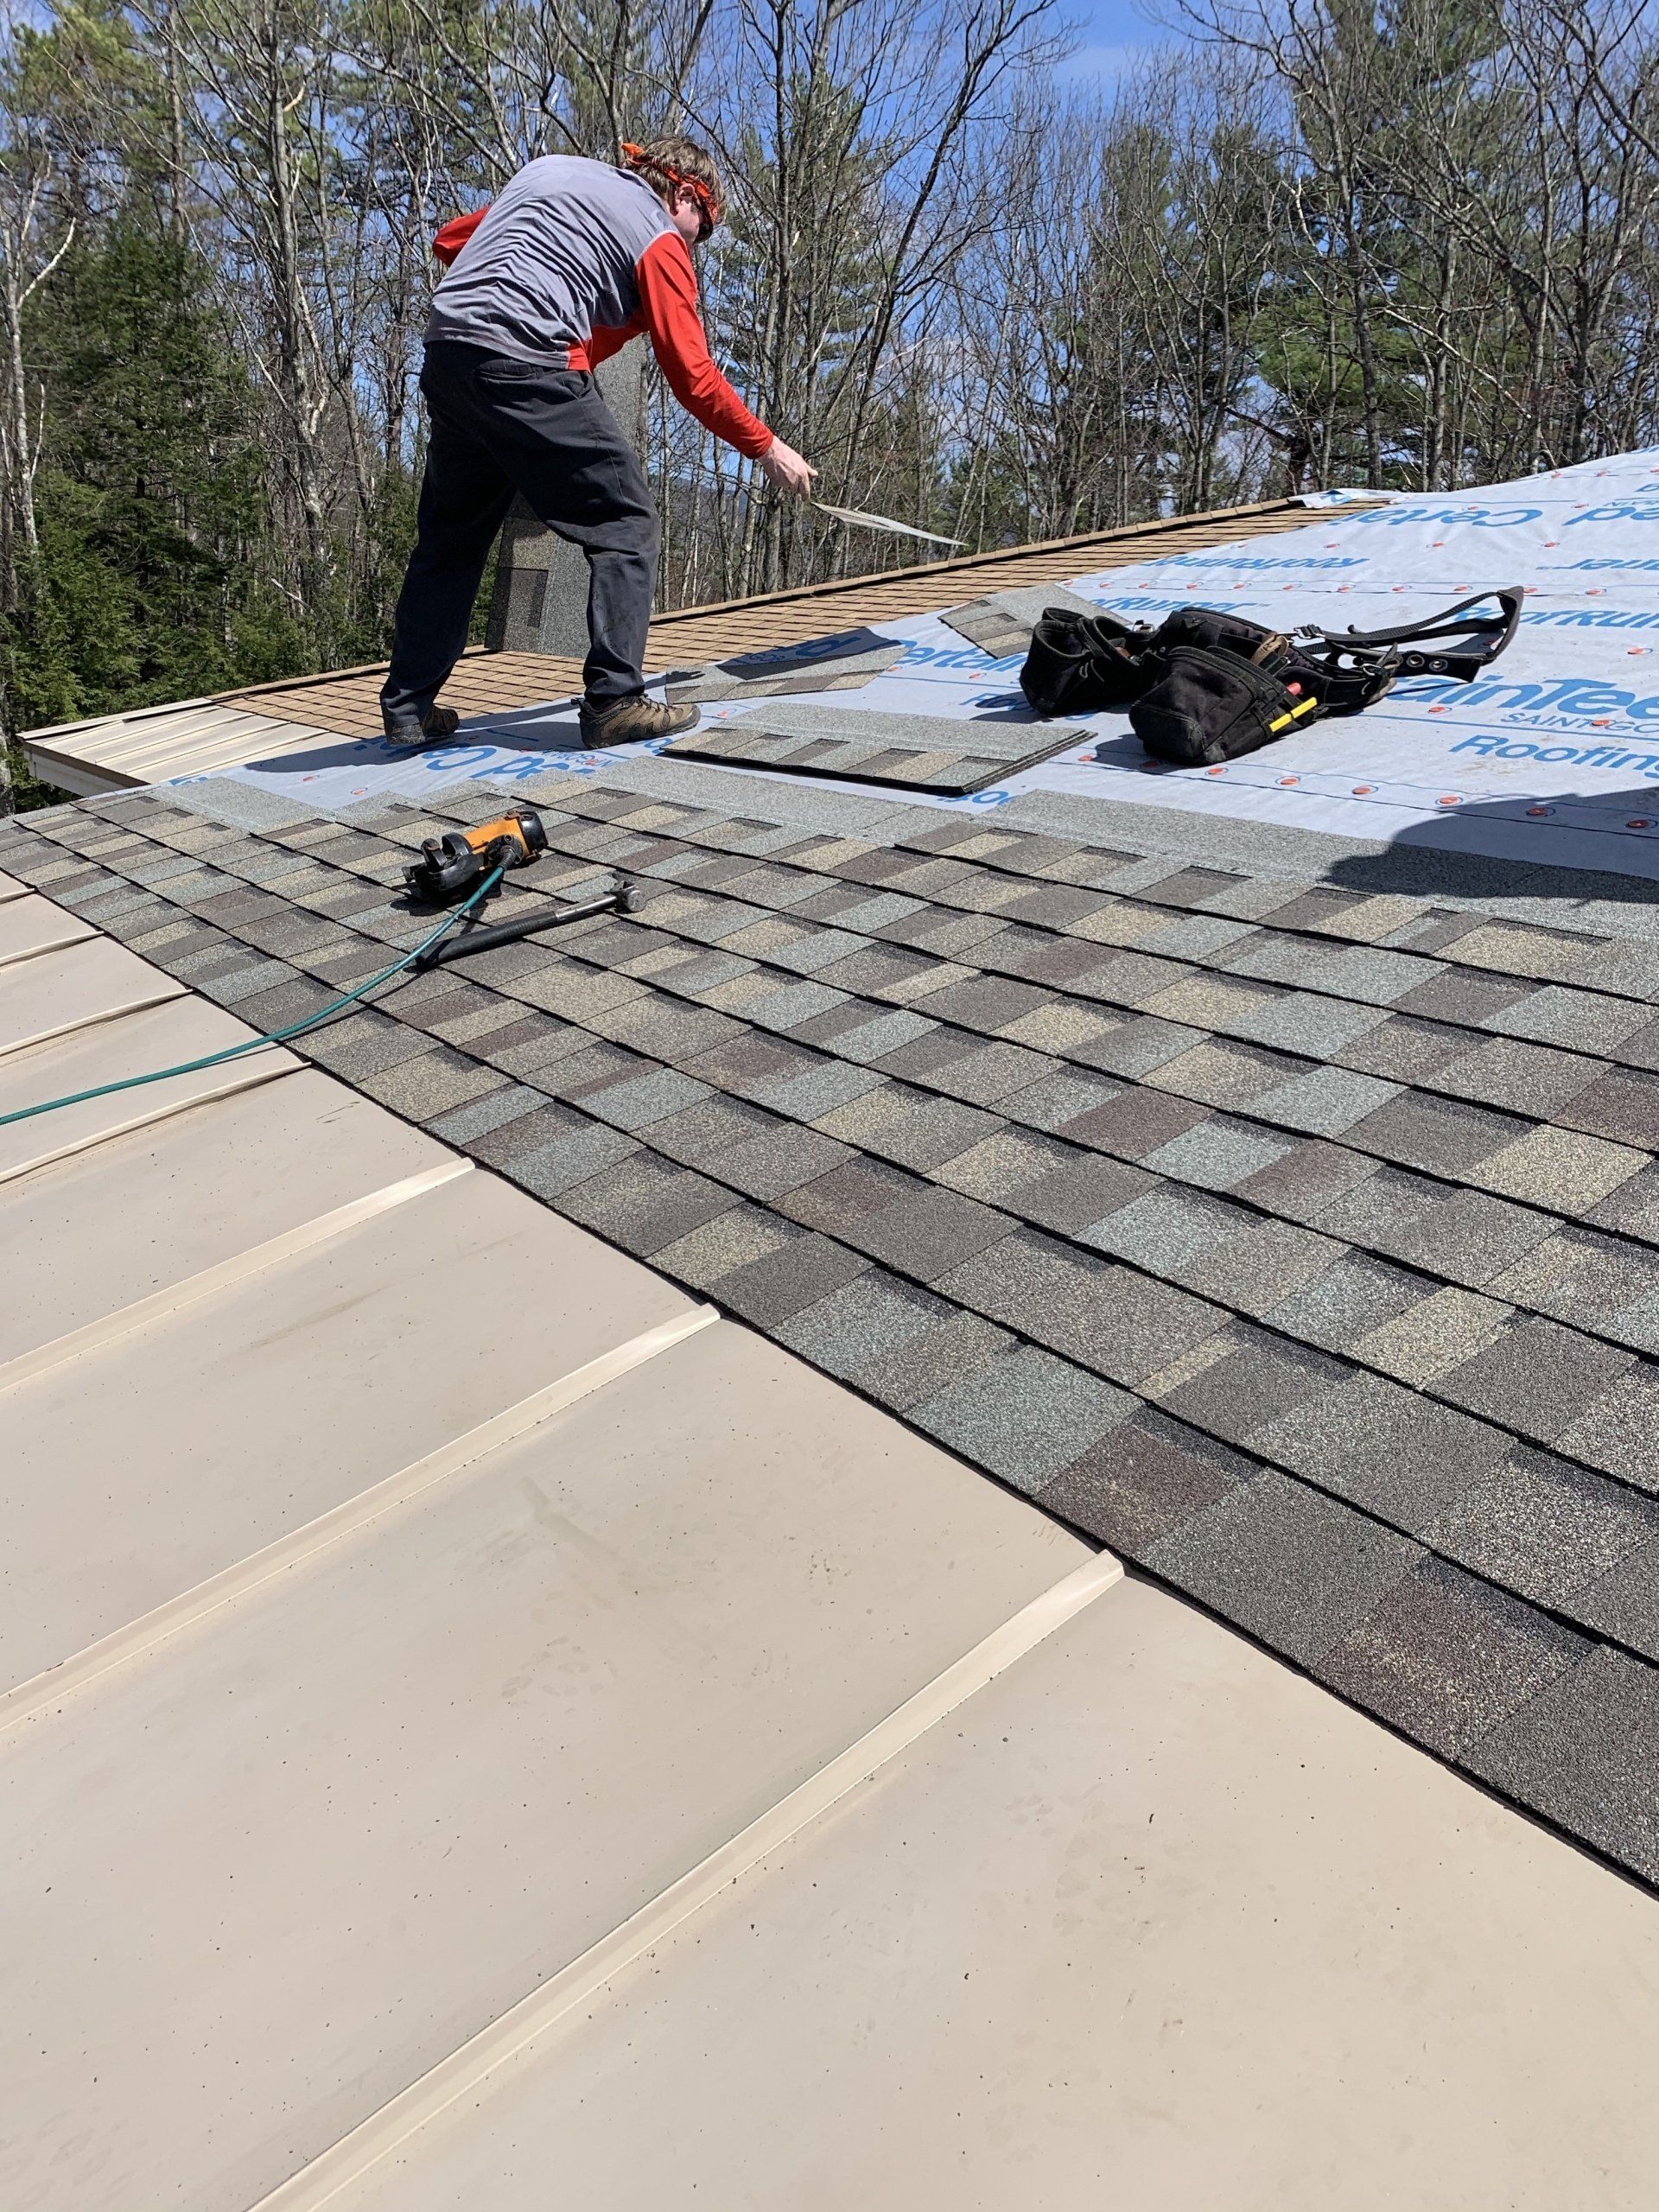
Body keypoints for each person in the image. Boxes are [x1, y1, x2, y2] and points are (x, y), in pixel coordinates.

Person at [380, 137, 816, 749]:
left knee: (452, 538)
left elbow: (451, 240)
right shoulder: (658, 236)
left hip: (450, 349)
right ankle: (615, 700)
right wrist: (766, 447)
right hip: (527, 358)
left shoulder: (553, 173)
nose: (698, 245)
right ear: (686, 196)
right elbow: (693, 377)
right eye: (704, 229)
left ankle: (407, 706)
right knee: (626, 519)